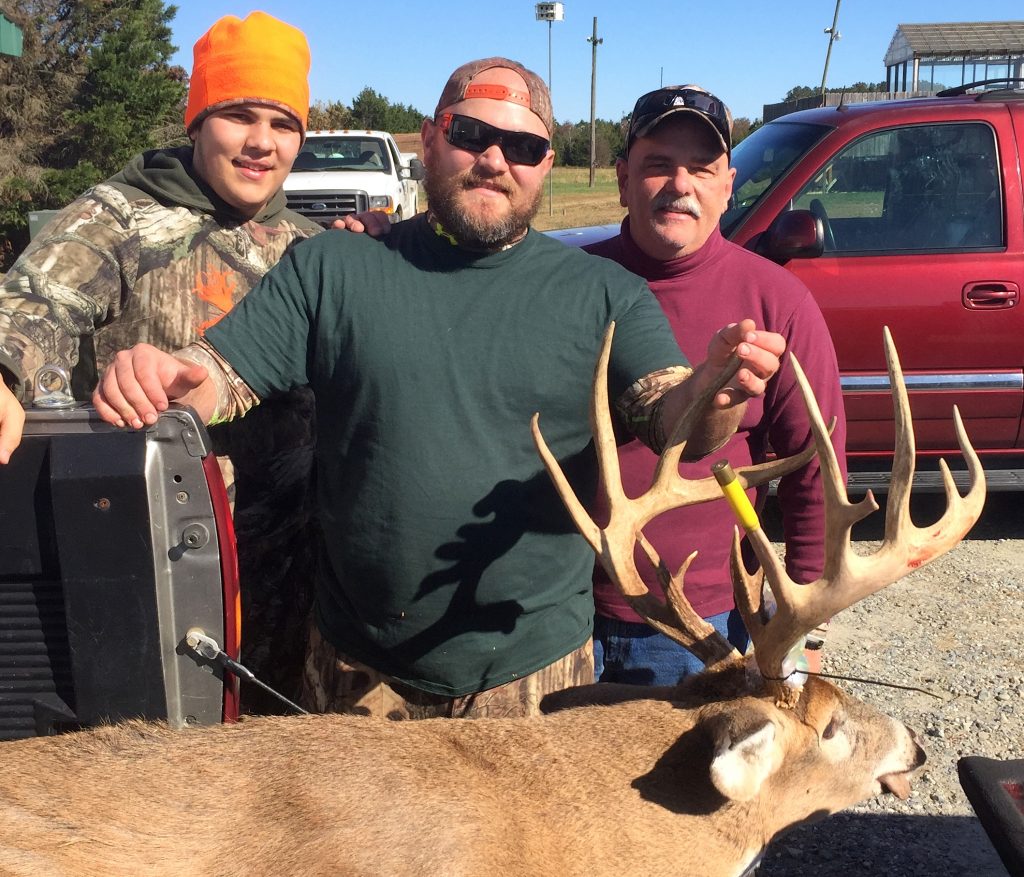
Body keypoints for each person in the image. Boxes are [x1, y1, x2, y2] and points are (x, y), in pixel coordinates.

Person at [91, 58, 786, 720]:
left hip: (530, 683)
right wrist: (171, 375)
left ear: (547, 164)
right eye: (472, 134)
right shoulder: (335, 266)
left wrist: (715, 394)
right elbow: (220, 373)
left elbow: (673, 418)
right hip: (356, 675)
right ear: (429, 138)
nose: (493, 158)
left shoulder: (606, 295)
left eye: (521, 145)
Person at [0, 11, 322, 714]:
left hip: (289, 574)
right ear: (198, 120)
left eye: (283, 123)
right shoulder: (120, 217)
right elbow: (36, 301)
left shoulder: (307, 244)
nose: (262, 142)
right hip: (160, 568)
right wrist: (4, 371)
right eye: (238, 114)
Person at [586, 85, 847, 685]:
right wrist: (375, 242)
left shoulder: (778, 302)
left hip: (704, 623)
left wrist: (803, 623)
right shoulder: (572, 282)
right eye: (658, 165)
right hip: (562, 610)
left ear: (728, 184)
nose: (681, 184)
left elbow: (817, 468)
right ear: (624, 178)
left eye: (701, 169)